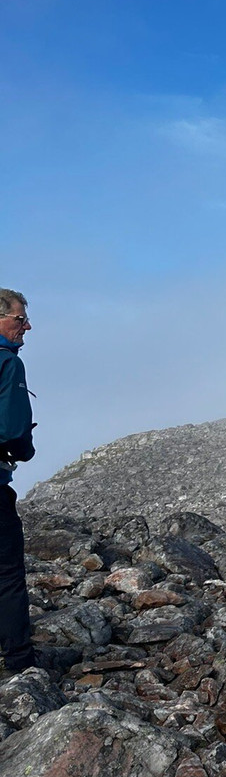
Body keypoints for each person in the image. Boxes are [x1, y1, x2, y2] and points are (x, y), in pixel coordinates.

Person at [0, 288, 35, 673]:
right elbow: (10, 430)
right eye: (19, 319)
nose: (26, 326)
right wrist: (25, 449)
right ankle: (20, 664)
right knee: (6, 574)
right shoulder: (7, 363)